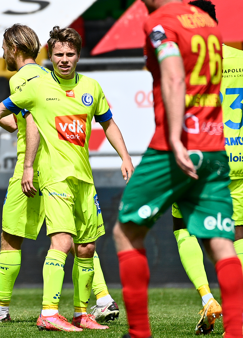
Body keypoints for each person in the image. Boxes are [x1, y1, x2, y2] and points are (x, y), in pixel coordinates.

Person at [0, 26, 133, 332]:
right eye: (59, 54)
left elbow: (27, 120)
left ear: (13, 47)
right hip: (53, 169)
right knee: (68, 238)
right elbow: (9, 114)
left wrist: (28, 166)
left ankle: (7, 306)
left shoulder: (26, 78)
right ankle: (94, 300)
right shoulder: (42, 81)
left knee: (22, 237)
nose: (63, 59)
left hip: (36, 166)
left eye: (3, 47)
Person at [112, 0, 243, 337]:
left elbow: (173, 75)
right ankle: (237, 330)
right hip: (216, 149)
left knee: (126, 232)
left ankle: (139, 332)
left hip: (178, 146)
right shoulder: (208, 24)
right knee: (222, 241)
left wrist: (174, 136)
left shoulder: (160, 22)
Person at [170, 0, 243, 335]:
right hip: (239, 159)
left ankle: (207, 297)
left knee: (182, 224)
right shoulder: (240, 59)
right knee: (237, 235)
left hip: (201, 158)